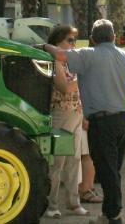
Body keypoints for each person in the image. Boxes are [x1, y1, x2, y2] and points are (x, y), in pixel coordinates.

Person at [43, 19, 125, 224]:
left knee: (107, 172)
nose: (74, 43)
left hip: (103, 123)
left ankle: (113, 216)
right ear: (113, 36)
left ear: (92, 39)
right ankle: (109, 214)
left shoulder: (88, 55)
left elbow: (58, 55)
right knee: (113, 171)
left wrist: (42, 46)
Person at [44, 26, 89, 218]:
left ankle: (73, 202)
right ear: (58, 42)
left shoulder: (71, 62)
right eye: (69, 40)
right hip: (61, 115)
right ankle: (51, 205)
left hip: (76, 115)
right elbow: (63, 87)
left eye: (74, 40)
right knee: (57, 163)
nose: (73, 44)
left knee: (74, 161)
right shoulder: (56, 62)